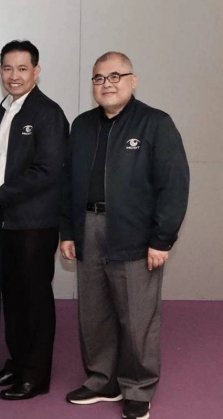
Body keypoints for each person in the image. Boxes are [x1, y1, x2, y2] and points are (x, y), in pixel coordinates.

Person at [60, 52, 189, 419]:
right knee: (94, 312)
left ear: (133, 81)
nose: (107, 84)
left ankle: (137, 388)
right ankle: (103, 381)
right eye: (99, 78)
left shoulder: (155, 123)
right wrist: (68, 230)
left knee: (137, 317)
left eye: (115, 76)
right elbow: (69, 182)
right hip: (88, 227)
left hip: (135, 232)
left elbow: (174, 185)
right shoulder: (82, 126)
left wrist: (162, 239)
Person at [0, 40, 68, 400]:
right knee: (12, 297)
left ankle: (36, 376)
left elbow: (48, 170)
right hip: (7, 222)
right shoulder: (7, 107)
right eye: (8, 68)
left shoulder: (48, 113)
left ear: (36, 71)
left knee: (34, 300)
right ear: (0, 71)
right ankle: (19, 362)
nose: (14, 75)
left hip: (34, 224)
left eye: (22, 68)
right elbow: (1, 156)